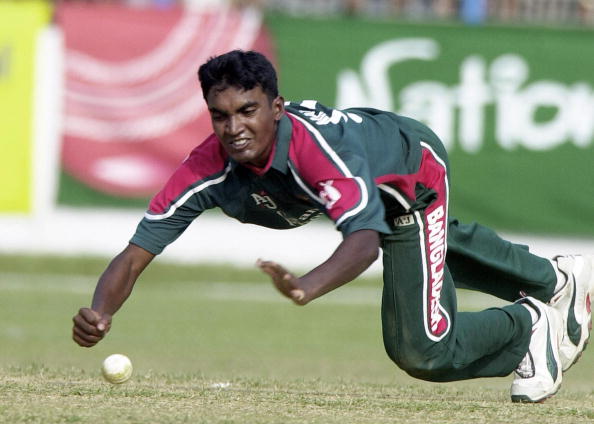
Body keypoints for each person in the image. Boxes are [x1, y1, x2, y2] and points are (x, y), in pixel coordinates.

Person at [72, 49, 593, 403]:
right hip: (376, 174)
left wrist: (307, 285)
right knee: (430, 255)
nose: (234, 128)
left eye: (248, 111)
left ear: (277, 108)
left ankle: (530, 328)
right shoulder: (206, 166)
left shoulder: (315, 153)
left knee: (421, 347)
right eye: (220, 115)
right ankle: (555, 279)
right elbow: (136, 253)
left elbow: (363, 242)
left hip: (411, 176)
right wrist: (101, 312)